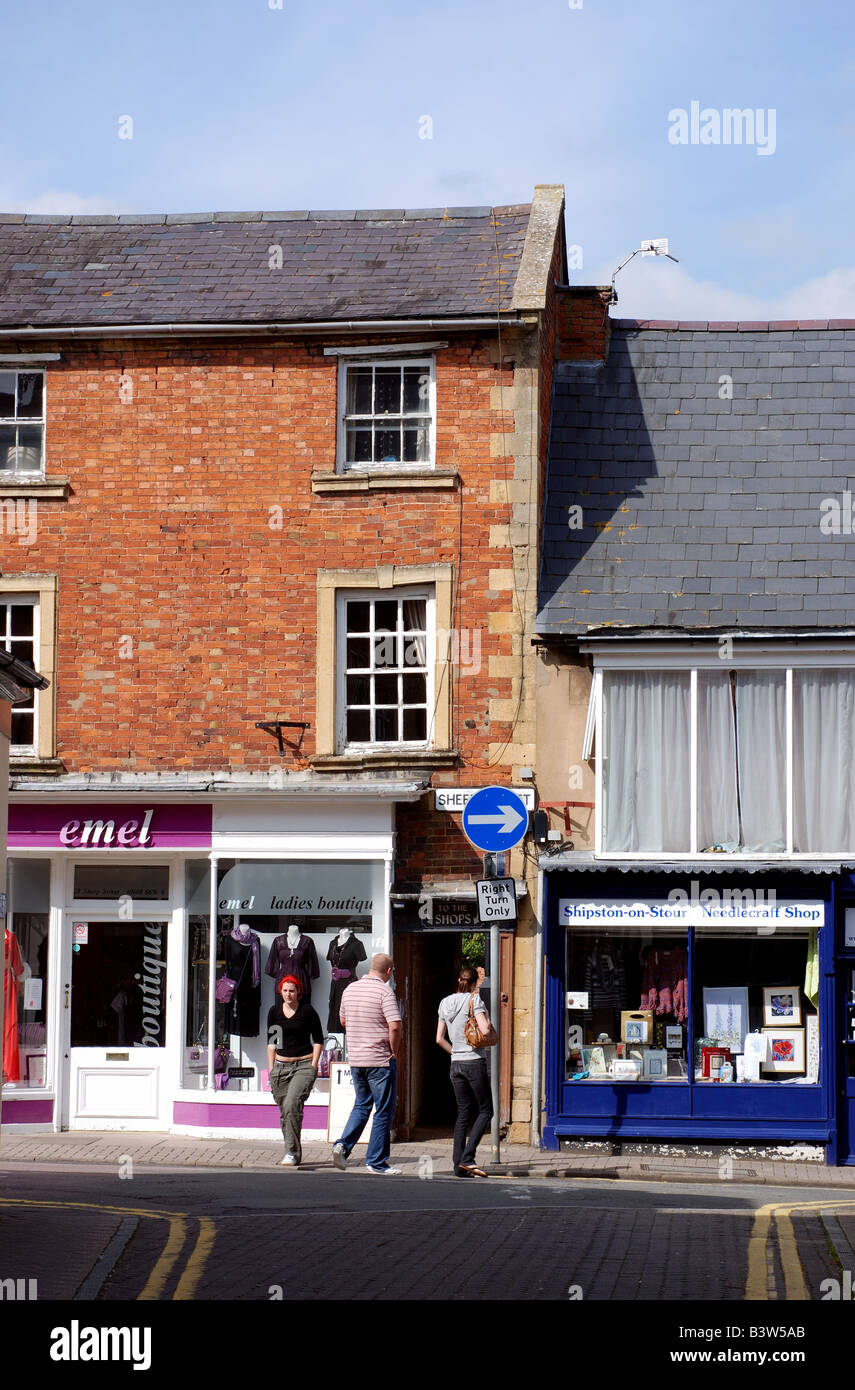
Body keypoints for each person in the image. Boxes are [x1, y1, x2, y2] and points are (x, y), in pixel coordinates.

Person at [331, 952, 402, 1175]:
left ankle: (342, 1145)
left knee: (362, 1105)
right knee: (383, 1111)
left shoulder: (350, 989)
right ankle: (377, 1161)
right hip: (380, 1060)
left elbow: (343, 1020)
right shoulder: (384, 991)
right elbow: (395, 1025)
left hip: (357, 1059)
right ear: (388, 971)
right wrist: (395, 1051)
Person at [436, 964, 494, 1178]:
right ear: (474, 983)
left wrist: (455, 1053)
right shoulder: (474, 1000)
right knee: (487, 1111)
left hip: (455, 1063)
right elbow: (486, 1030)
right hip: (474, 1061)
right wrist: (485, 1013)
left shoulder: (444, 1002)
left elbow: (439, 1038)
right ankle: (468, 1158)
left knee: (463, 1114)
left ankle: (458, 1165)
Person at [267, 974, 324, 1167]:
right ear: (280, 991)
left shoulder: (308, 1011)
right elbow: (272, 1043)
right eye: (285, 990)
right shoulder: (274, 1011)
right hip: (281, 1067)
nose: (288, 994)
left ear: (298, 992)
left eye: (292, 990)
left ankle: (290, 1153)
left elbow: (318, 1040)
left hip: (303, 1065)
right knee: (287, 1112)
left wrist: (313, 1066)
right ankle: (294, 1152)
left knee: (292, 1105)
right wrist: (271, 1069)